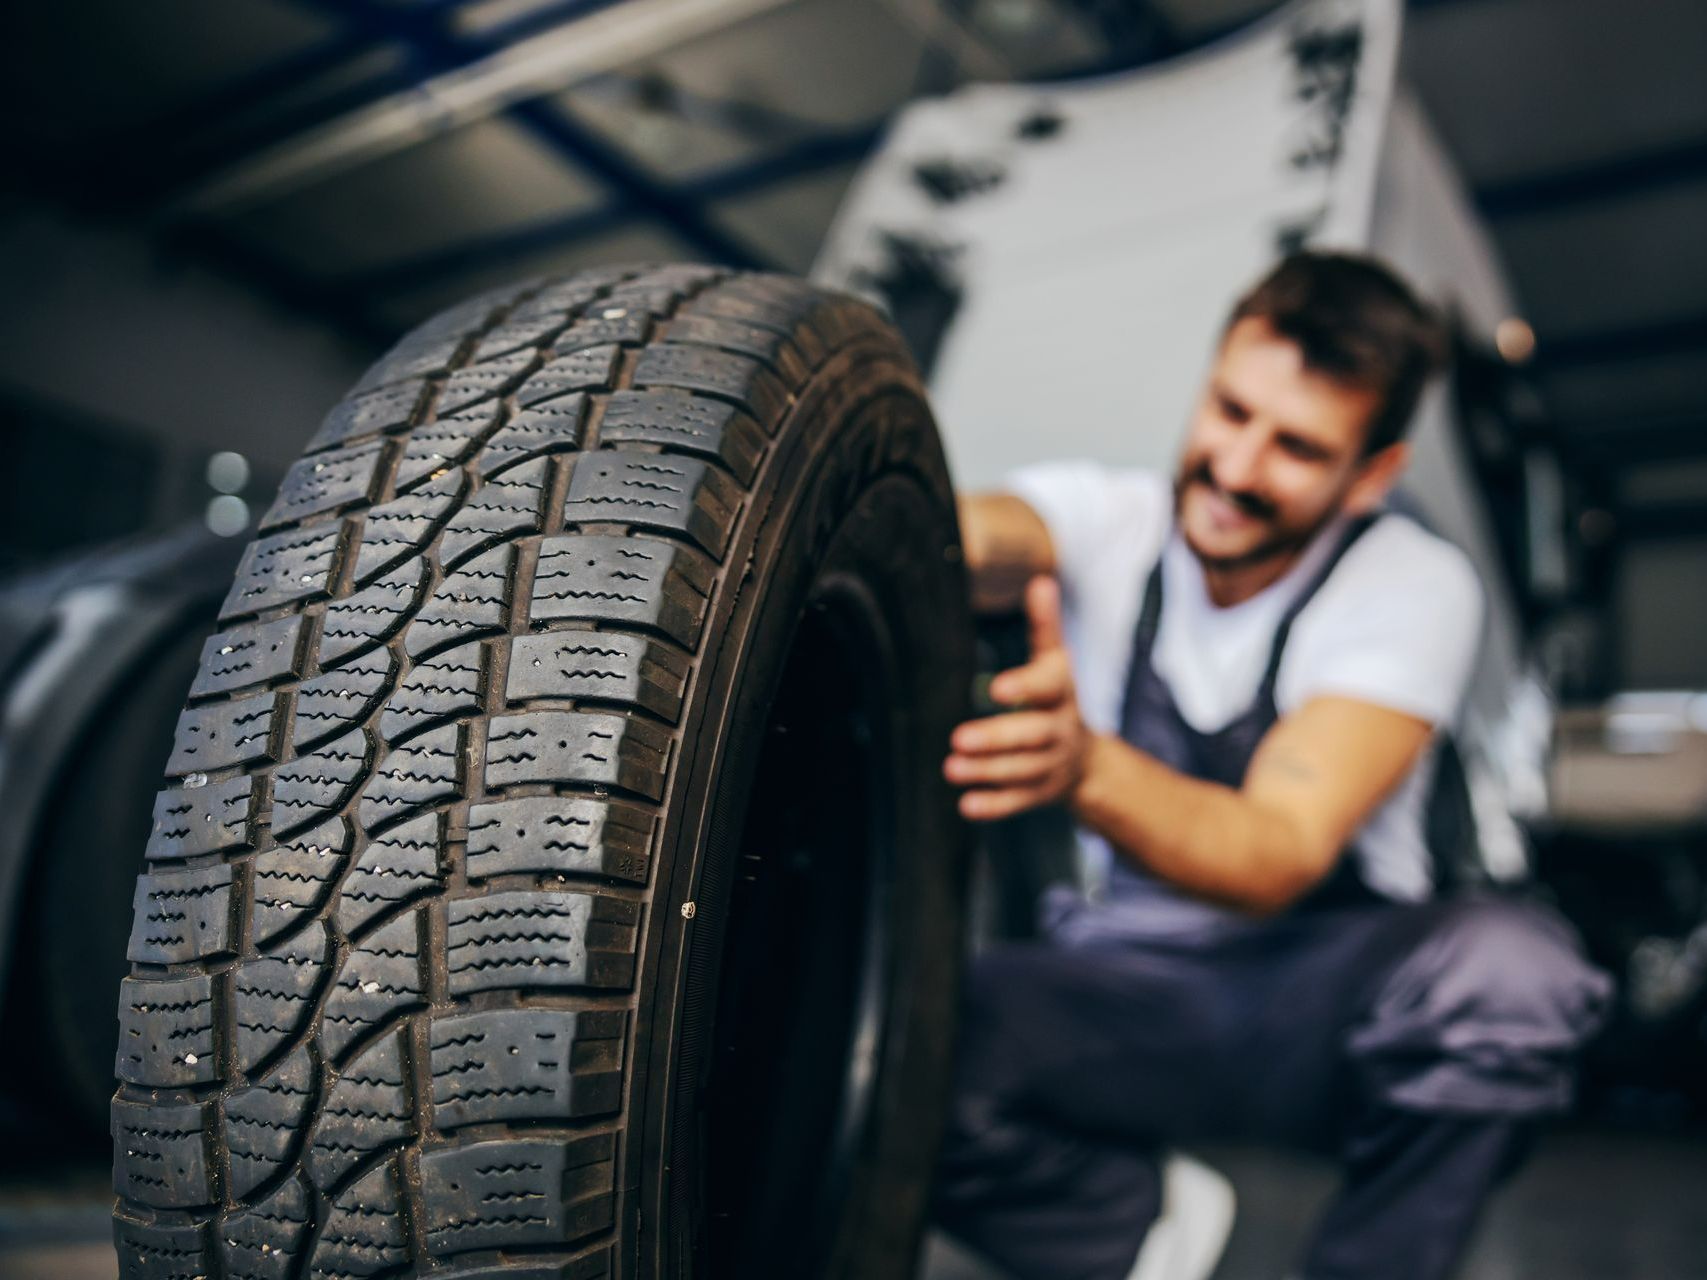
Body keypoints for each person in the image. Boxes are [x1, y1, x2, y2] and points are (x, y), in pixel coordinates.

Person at [932, 250, 1611, 1280]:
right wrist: (882, 497)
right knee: (901, 1040)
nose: (1238, 468)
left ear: (1370, 474)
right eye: (1229, 410)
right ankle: (1138, 1227)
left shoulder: (1411, 584)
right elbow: (974, 529)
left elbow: (1278, 848)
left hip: (1313, 1009)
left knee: (1510, 978)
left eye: (1297, 446)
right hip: (1121, 991)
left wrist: (1085, 768)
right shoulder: (1104, 520)